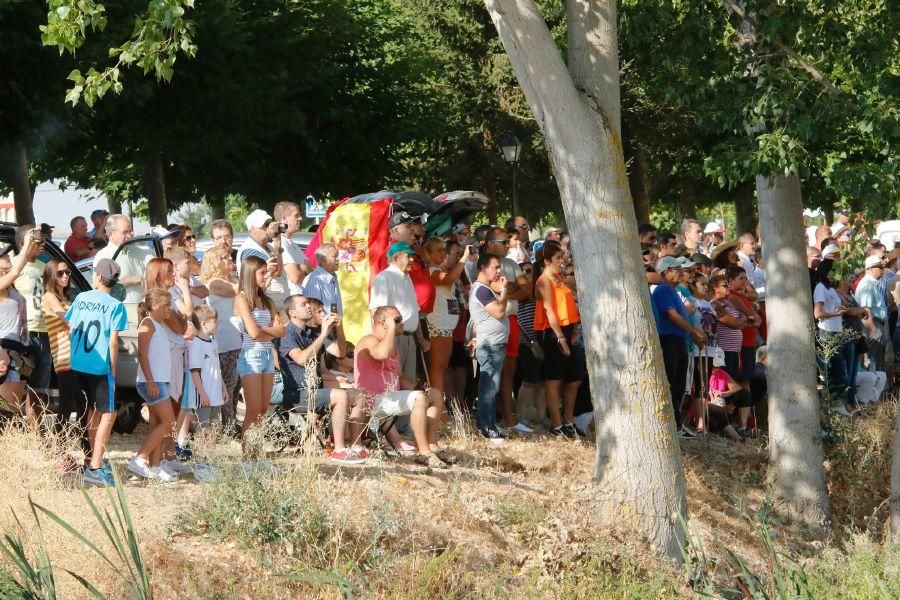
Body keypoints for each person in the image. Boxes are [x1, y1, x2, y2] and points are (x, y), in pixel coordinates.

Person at [355, 306, 452, 468]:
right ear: (382, 323)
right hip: (371, 400)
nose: (402, 323)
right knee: (418, 399)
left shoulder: (391, 345)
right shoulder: (369, 340)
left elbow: (400, 378)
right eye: (397, 320)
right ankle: (424, 453)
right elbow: (381, 354)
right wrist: (391, 328)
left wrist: (420, 386)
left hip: (390, 398)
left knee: (434, 394)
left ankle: (432, 445)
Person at [279, 295, 365, 463]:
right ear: (292, 313)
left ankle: (356, 445)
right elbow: (302, 359)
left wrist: (338, 328)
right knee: (340, 396)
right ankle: (339, 450)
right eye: (303, 304)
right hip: (297, 394)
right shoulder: (286, 333)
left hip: (317, 391)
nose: (308, 306)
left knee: (359, 394)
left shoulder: (312, 332)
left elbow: (340, 353)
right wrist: (323, 334)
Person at [67, 259, 129, 487]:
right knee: (108, 414)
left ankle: (92, 461)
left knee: (92, 411)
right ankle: (95, 465)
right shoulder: (115, 305)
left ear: (100, 278)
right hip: (99, 366)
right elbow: (113, 343)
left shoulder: (82, 298)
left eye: (94, 273)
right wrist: (113, 370)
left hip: (78, 363)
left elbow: (72, 327)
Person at [41, 259, 90, 469]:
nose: (65, 276)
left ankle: (87, 455)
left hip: (76, 358)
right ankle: (62, 455)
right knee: (67, 407)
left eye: (67, 272)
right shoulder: (50, 297)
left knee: (82, 405)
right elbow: (69, 322)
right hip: (63, 357)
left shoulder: (65, 297)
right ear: (51, 275)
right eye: (60, 273)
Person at [234, 256, 285, 456]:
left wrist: (262, 329)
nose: (266, 276)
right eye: (262, 273)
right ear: (250, 274)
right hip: (251, 355)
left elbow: (281, 331)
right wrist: (267, 329)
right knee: (253, 408)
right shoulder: (242, 298)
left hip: (265, 355)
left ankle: (257, 453)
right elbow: (253, 334)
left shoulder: (267, 300)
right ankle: (248, 457)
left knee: (263, 408)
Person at [534, 241, 585, 437]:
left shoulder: (558, 279)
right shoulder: (544, 281)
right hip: (552, 332)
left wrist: (573, 328)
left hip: (566, 329)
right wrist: (561, 339)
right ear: (547, 261)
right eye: (557, 258)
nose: (561, 261)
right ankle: (556, 425)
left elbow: (567, 304)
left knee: (573, 378)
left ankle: (568, 420)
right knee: (554, 379)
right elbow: (549, 310)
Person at [652, 256, 707, 433]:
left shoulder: (674, 291)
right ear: (666, 272)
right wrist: (693, 331)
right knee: (671, 382)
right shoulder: (662, 290)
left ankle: (676, 424)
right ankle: (670, 425)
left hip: (680, 341)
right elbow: (672, 315)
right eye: (677, 269)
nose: (681, 272)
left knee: (679, 385)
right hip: (669, 342)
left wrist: (693, 334)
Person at [128, 289, 179, 482]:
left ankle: (155, 465)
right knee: (169, 422)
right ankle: (140, 458)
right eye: (166, 304)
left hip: (159, 381)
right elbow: (142, 354)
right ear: (155, 305)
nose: (170, 308)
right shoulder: (147, 324)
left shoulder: (159, 325)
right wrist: (150, 380)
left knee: (158, 423)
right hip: (152, 382)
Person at [369, 242, 428, 381]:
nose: (412, 260)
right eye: (408, 256)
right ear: (396, 258)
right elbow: (376, 312)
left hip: (410, 338)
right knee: (394, 379)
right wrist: (385, 339)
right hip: (393, 338)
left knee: (408, 380)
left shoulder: (407, 278)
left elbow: (414, 311)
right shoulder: (384, 278)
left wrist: (420, 338)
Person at [468, 253, 510, 440]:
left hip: (494, 344)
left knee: (491, 387)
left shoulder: (485, 289)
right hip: (491, 346)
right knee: (489, 388)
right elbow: (500, 312)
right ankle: (486, 427)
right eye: (495, 267)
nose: (499, 271)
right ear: (483, 268)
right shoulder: (482, 290)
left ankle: (490, 424)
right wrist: (504, 291)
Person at [200, 246, 242, 431]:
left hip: (237, 339)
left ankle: (231, 424)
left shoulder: (232, 279)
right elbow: (240, 290)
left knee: (235, 385)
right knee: (228, 384)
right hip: (225, 341)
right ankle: (228, 426)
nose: (230, 260)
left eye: (230, 257)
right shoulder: (214, 283)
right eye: (225, 258)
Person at [14, 225, 53, 421]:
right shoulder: (13, 266)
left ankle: (35, 433)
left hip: (44, 332)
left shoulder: (44, 267)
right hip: (23, 332)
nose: (43, 245)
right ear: (24, 243)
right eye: (38, 242)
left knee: (39, 389)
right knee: (16, 385)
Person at [187, 305, 228, 482]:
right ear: (204, 324)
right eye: (214, 321)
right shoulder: (196, 344)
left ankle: (209, 461)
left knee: (212, 430)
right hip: (203, 395)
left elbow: (217, 368)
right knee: (202, 429)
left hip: (215, 394)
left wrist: (224, 388)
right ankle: (199, 463)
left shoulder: (213, 342)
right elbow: (195, 372)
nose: (217, 323)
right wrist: (202, 393)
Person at [423, 239, 468, 397]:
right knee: (437, 368)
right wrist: (464, 259)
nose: (443, 253)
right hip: (437, 325)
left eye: (444, 250)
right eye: (439, 250)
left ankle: (441, 407)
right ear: (430, 254)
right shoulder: (430, 271)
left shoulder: (437, 270)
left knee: (442, 367)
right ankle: (439, 409)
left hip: (447, 326)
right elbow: (448, 279)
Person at [0, 236, 35, 407]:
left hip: (18, 350)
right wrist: (26, 244)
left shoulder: (10, 286)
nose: (8, 257)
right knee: (8, 408)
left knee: (13, 406)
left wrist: (32, 244)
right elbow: (15, 270)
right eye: (3, 255)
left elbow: (17, 268)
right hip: (4, 351)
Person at [94, 214, 153, 304]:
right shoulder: (104, 257)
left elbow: (156, 262)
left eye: (131, 231)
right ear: (110, 234)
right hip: (121, 310)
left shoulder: (136, 251)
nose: (129, 235)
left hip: (143, 309)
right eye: (125, 232)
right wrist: (129, 280)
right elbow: (99, 287)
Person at [237, 209, 288, 309]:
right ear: (252, 229)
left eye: (270, 224)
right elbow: (276, 271)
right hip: (264, 306)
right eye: (265, 226)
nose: (269, 228)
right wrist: (277, 241)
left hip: (275, 304)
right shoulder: (250, 250)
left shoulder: (268, 247)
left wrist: (277, 245)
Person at [708, 349, 755, 439]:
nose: (717, 368)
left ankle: (742, 428)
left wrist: (725, 394)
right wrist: (723, 408)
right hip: (711, 410)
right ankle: (737, 437)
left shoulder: (721, 373)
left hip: (722, 404)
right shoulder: (704, 374)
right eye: (714, 366)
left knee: (744, 394)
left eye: (719, 366)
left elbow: (737, 388)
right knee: (720, 412)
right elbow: (702, 402)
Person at [856, 255, 888, 371]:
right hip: (871, 326)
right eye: (879, 267)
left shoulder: (871, 284)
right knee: (872, 361)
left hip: (875, 324)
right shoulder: (866, 285)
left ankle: (876, 385)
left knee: (876, 359)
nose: (882, 269)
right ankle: (872, 387)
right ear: (869, 269)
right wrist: (874, 331)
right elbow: (865, 311)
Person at [274, 201, 312, 295]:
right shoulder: (280, 243)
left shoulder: (292, 243)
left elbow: (312, 268)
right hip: (293, 302)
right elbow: (295, 276)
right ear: (284, 218)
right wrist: (303, 267)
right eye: (296, 215)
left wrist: (302, 267)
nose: (300, 218)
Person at [302, 243, 343, 316]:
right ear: (324, 259)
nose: (338, 259)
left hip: (333, 324)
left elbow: (335, 309)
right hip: (322, 326)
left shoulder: (332, 277)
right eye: (334, 256)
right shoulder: (314, 280)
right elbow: (314, 315)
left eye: (337, 256)